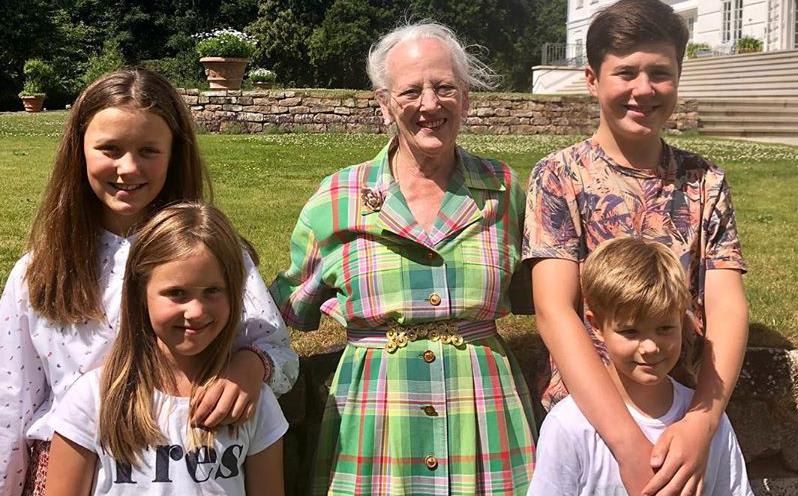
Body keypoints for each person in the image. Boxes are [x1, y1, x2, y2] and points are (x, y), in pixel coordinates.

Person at [0, 68, 298, 496]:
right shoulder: (40, 270)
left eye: (148, 150)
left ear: (175, 152)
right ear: (78, 150)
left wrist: (249, 366)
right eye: (110, 149)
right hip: (70, 470)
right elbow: (10, 401)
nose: (129, 168)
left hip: (192, 461)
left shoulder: (212, 254)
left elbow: (280, 354)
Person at [272, 22, 536, 495]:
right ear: (385, 103)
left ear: (467, 97)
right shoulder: (338, 198)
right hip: (375, 429)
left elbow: (549, 294)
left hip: (486, 423)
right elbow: (282, 309)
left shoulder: (505, 190)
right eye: (411, 90)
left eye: (445, 87)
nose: (430, 104)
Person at [522, 0, 749, 494]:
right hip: (589, 425)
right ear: (591, 79)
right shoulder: (560, 176)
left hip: (682, 417)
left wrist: (702, 421)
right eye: (625, 72)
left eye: (660, 73)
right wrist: (625, 443)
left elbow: (727, 305)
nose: (643, 90)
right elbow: (553, 310)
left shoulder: (703, 181)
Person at [44, 202, 288, 495]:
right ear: (140, 295)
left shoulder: (254, 403)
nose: (196, 311)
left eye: (213, 291)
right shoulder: (93, 400)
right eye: (176, 293)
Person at [528, 237, 753, 495]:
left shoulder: (711, 422)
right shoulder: (569, 426)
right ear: (597, 326)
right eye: (630, 331)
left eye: (665, 328)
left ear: (683, 319)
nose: (650, 348)